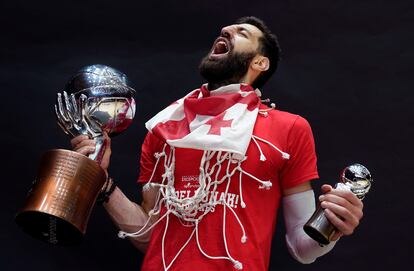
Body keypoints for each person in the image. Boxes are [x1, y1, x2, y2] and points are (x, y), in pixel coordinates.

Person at [71, 16, 364, 271]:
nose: (225, 30)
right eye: (226, 29)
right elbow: (150, 236)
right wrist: (102, 183)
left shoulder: (289, 129)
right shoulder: (164, 130)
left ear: (260, 62)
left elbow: (302, 249)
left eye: (242, 33)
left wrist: (333, 227)